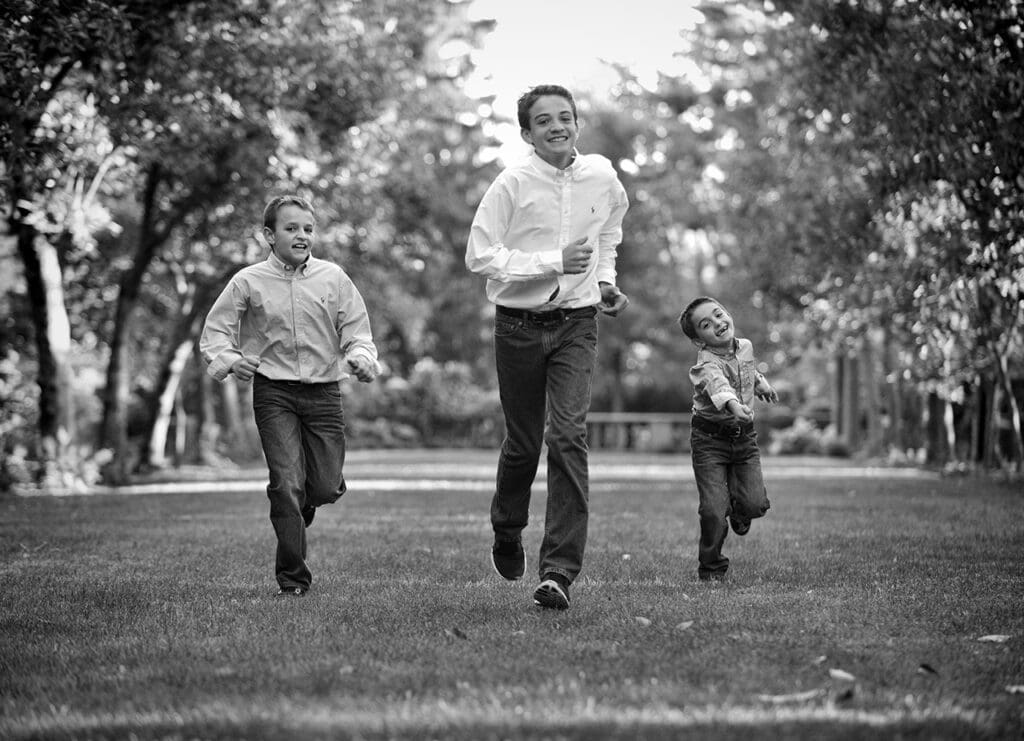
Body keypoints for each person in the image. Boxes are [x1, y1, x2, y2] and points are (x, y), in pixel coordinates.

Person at [465, 84, 630, 610]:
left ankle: (558, 571)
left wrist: (603, 279)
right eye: (544, 120)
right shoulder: (512, 183)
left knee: (567, 437)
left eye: (565, 117)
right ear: (527, 133)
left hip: (578, 323)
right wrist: (551, 261)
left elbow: (609, 232)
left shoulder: (602, 175)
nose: (557, 126)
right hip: (517, 325)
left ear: (577, 123)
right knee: (522, 443)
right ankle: (508, 527)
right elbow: (479, 255)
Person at [200, 194, 380, 597]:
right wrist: (231, 361)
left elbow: (357, 332)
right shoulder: (247, 281)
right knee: (285, 484)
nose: (302, 236)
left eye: (308, 229)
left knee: (324, 486)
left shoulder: (334, 278)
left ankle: (303, 506)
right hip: (274, 392)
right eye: (291, 228)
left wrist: (361, 357)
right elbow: (215, 333)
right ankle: (293, 579)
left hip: (324, 394)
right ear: (269, 235)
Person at [678, 296, 778, 582]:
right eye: (706, 325)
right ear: (700, 341)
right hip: (709, 440)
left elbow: (745, 371)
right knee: (712, 510)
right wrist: (735, 406)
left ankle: (739, 509)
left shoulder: (744, 346)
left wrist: (762, 384)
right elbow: (719, 386)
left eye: (719, 314)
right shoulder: (705, 363)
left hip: (744, 439)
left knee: (755, 505)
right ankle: (711, 567)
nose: (718, 324)